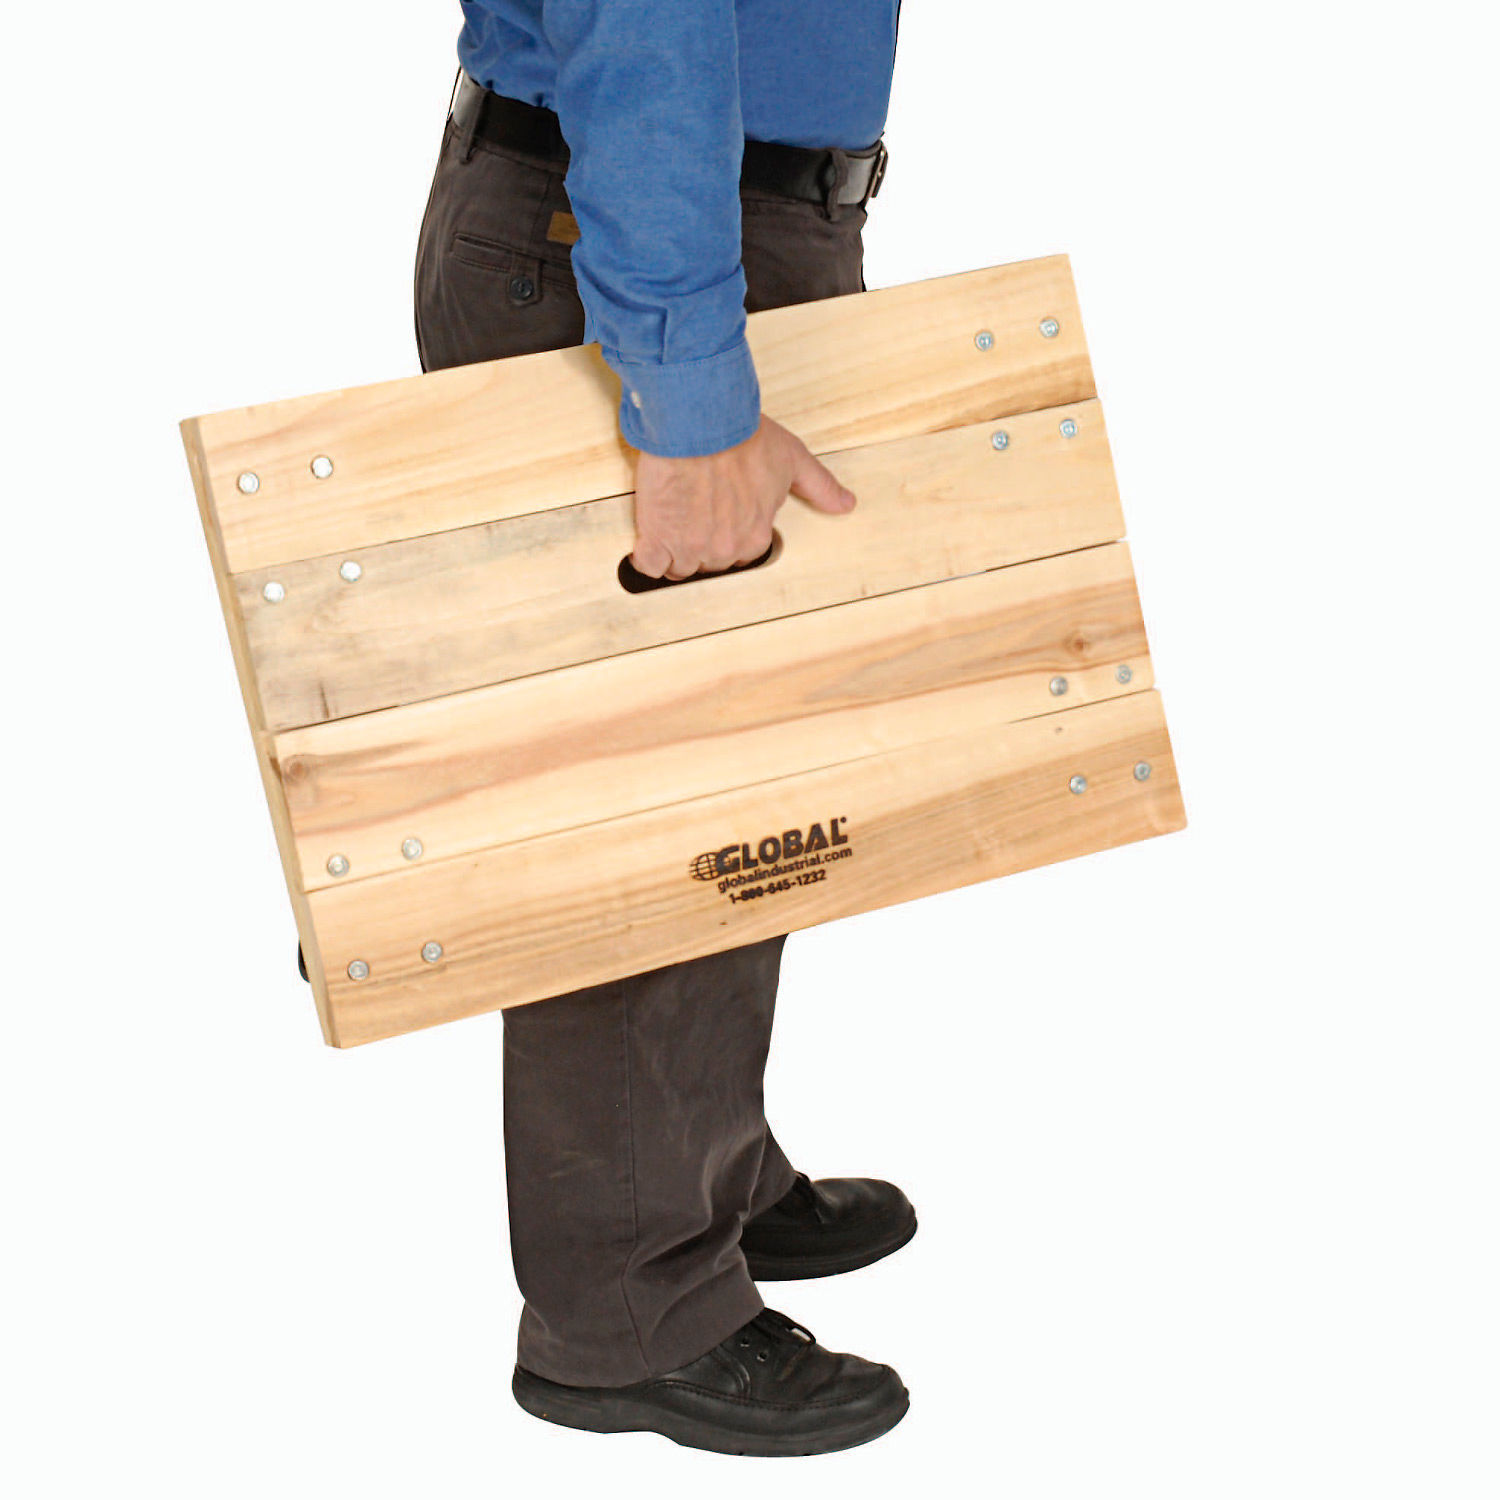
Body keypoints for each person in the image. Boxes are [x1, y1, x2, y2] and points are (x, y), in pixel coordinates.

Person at [414, 0, 911, 1458]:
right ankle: (628, 1313)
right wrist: (686, 393)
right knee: (637, 808)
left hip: (688, 227)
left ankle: (698, 1174)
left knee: (738, 786)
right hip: (635, 246)